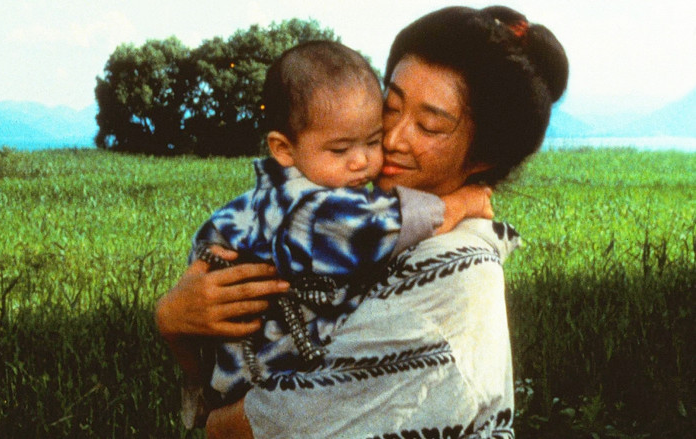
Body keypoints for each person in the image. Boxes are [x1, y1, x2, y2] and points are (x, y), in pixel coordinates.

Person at [156, 5, 568, 438]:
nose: (391, 140)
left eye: (428, 126)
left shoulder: (453, 271)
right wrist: (175, 323)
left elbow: (249, 426)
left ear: (484, 157)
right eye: (390, 107)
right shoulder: (341, 214)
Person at [181, 41, 493, 424]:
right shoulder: (308, 208)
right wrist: (460, 205)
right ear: (283, 149)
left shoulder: (269, 196)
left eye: (372, 141)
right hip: (262, 374)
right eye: (341, 149)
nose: (362, 160)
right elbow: (375, 229)